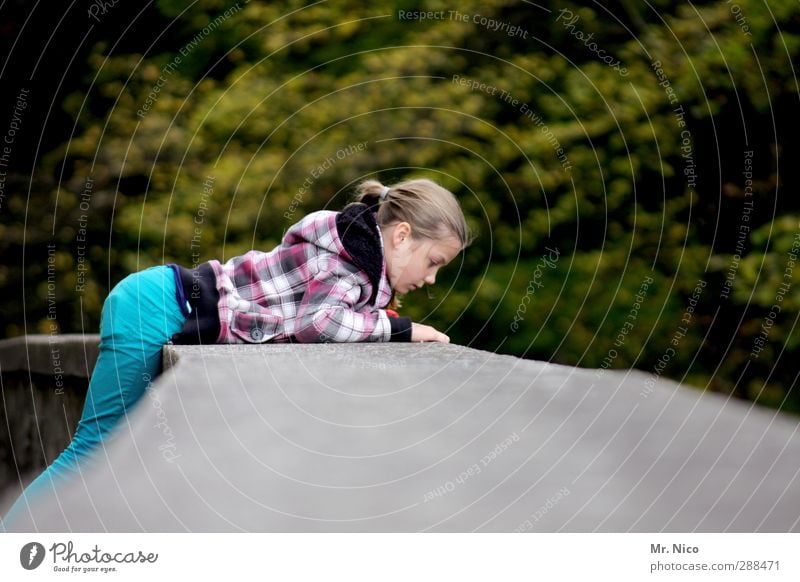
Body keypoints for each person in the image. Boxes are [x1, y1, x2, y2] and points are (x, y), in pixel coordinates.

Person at [1, 177, 472, 530]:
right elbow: (320, 322)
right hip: (155, 305)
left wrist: (386, 321)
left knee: (121, 455)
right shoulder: (346, 263)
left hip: (156, 302)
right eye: (434, 263)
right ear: (402, 235)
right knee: (94, 448)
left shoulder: (352, 253)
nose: (431, 279)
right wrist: (402, 328)